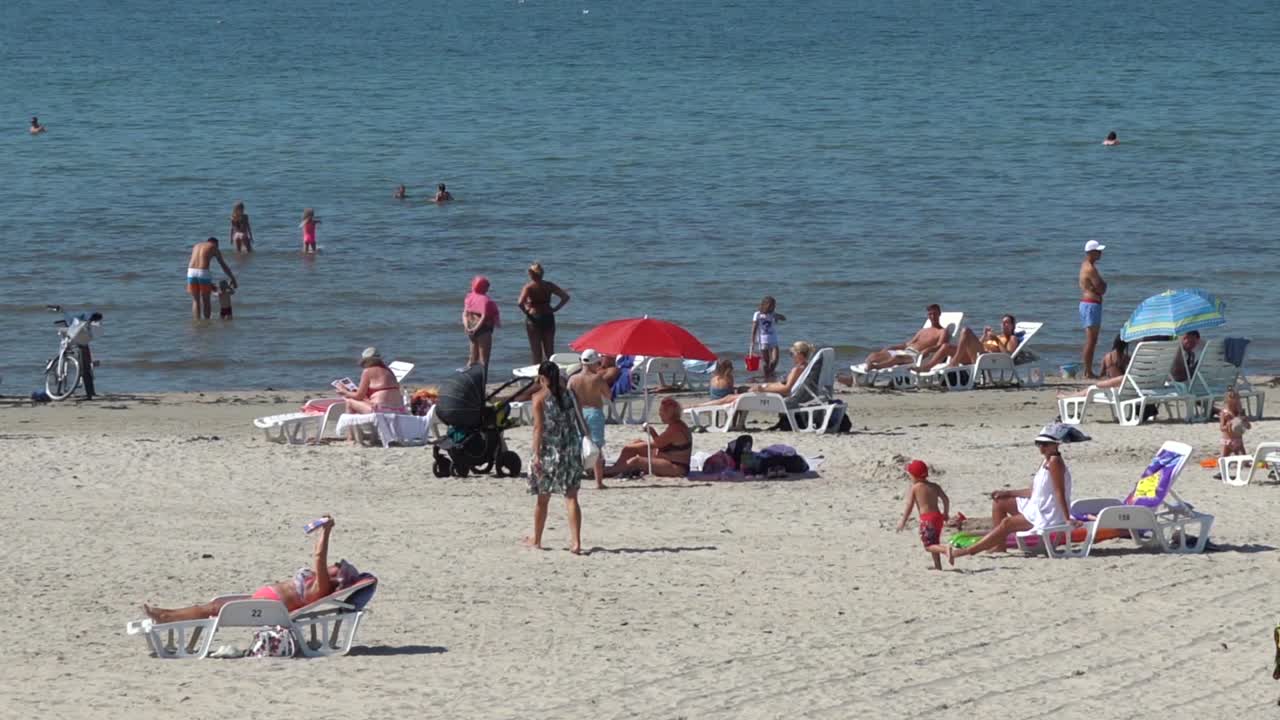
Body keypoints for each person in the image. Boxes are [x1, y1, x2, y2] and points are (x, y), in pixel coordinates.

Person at [142, 515, 362, 622]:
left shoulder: (321, 586)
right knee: (212, 606)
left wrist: (327, 531)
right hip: (263, 602)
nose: (335, 564)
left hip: (267, 609)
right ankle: (166, 613)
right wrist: (320, 529)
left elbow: (319, 556)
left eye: (339, 566)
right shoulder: (316, 580)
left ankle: (166, 616)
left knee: (214, 608)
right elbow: (318, 556)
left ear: (338, 577)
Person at [944, 425, 1080, 566]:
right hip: (1036, 505)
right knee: (1000, 502)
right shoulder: (1046, 461)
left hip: (1047, 512)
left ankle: (964, 552)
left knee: (1007, 524)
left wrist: (1067, 518)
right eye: (1039, 444)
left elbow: (1060, 492)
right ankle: (999, 546)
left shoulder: (1055, 462)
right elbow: (1033, 492)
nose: (1041, 448)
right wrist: (1007, 493)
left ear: (1056, 444)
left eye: (1045, 444)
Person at [525, 361, 585, 554]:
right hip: (571, 447)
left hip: (550, 450)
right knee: (571, 496)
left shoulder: (539, 398)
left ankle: (537, 540)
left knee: (543, 498)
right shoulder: (570, 394)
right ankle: (576, 542)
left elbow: (538, 429)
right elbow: (578, 418)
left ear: (542, 378)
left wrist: (535, 454)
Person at [605, 397, 693, 478]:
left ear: (669, 413)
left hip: (677, 467)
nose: (659, 414)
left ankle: (609, 472)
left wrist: (630, 447)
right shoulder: (675, 424)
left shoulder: (676, 429)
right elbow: (662, 444)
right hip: (665, 457)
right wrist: (652, 432)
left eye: (661, 411)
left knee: (636, 460)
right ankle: (615, 469)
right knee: (635, 443)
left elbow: (655, 445)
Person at [896, 460, 951, 571]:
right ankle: (938, 566)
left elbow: (909, 506)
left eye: (910, 475)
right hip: (937, 518)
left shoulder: (915, 488)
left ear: (914, 476)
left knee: (928, 546)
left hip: (927, 520)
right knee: (935, 542)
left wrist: (903, 521)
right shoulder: (935, 486)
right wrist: (945, 513)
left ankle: (945, 550)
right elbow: (946, 499)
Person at [860, 304, 951, 371]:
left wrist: (928, 350)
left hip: (917, 356)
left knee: (896, 358)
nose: (933, 316)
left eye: (935, 314)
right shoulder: (923, 331)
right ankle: (868, 365)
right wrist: (893, 347)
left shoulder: (942, 331)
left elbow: (940, 346)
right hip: (906, 351)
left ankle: (875, 367)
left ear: (939, 314)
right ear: (928, 316)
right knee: (874, 355)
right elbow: (907, 344)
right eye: (930, 314)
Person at [569, 349, 612, 490]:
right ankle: (598, 482)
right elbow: (608, 395)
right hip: (594, 412)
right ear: (594, 363)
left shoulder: (573, 379)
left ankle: (573, 479)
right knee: (596, 449)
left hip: (578, 413)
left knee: (577, 446)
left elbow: (569, 398)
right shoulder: (597, 378)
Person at [918, 314, 1019, 372]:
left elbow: (1008, 356)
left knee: (966, 331)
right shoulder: (997, 336)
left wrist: (997, 341)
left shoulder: (1012, 338)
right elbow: (977, 344)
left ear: (1012, 325)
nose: (1004, 325)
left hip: (988, 359)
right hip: (977, 355)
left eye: (1007, 323)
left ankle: (954, 362)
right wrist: (984, 336)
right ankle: (927, 367)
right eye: (1003, 322)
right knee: (945, 346)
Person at [516, 262, 570, 364]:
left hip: (533, 318)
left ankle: (538, 377)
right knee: (550, 351)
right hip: (548, 316)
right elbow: (565, 297)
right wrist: (556, 308)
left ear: (531, 274)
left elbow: (519, 303)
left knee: (536, 352)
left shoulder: (528, 287)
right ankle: (551, 375)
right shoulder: (549, 285)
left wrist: (526, 311)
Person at [337, 347, 405, 415]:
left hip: (380, 410)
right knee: (360, 402)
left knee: (349, 402)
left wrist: (344, 392)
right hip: (399, 410)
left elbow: (359, 396)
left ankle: (349, 425)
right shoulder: (389, 371)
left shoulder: (368, 371)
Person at [187, 237, 238, 320]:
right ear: (215, 243)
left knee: (196, 300)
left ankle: (197, 322)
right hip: (203, 271)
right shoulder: (213, 247)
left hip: (190, 271)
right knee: (206, 299)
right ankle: (207, 323)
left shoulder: (196, 246)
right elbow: (223, 265)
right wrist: (233, 278)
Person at [1078, 240, 1108, 379]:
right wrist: (1102, 285)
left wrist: (1101, 286)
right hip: (1091, 304)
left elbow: (1100, 287)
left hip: (1090, 304)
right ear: (1091, 252)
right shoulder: (1090, 268)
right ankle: (1088, 371)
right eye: (1098, 251)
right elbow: (1101, 288)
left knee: (1092, 340)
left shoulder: (1087, 266)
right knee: (1091, 340)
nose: (1100, 253)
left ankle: (1087, 370)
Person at [462, 276, 500, 370]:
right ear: (483, 287)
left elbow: (464, 314)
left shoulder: (469, 297)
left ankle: (469, 380)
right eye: (487, 287)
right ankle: (482, 382)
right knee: (483, 361)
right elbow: (483, 316)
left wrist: (467, 327)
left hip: (470, 328)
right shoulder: (485, 300)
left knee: (472, 359)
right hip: (483, 329)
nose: (488, 289)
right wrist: (476, 329)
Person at [750, 296, 787, 380]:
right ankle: (767, 377)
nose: (774, 307)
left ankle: (769, 375)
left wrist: (777, 316)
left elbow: (784, 318)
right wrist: (752, 342)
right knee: (767, 362)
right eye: (772, 305)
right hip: (763, 340)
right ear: (766, 305)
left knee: (774, 360)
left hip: (772, 339)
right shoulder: (758, 314)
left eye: (774, 305)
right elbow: (754, 328)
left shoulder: (772, 314)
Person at [1219, 387, 1250, 456]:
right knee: (1223, 460)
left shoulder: (1241, 413)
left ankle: (1245, 463)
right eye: (1231, 404)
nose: (1235, 405)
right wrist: (1227, 426)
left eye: (1237, 403)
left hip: (1238, 441)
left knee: (1244, 460)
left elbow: (1249, 426)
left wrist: (1245, 422)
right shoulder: (1224, 413)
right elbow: (1221, 428)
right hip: (1227, 442)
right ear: (1226, 401)